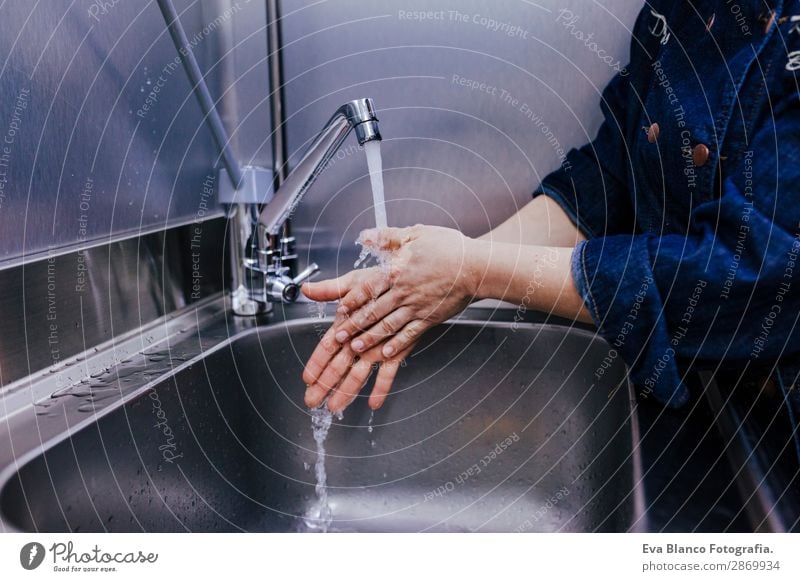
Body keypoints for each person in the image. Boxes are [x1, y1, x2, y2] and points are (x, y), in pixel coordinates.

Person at [301, 0, 800, 419]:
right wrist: (435, 271)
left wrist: (474, 271)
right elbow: (610, 178)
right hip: (710, 403)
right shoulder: (677, 12)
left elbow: (753, 270)